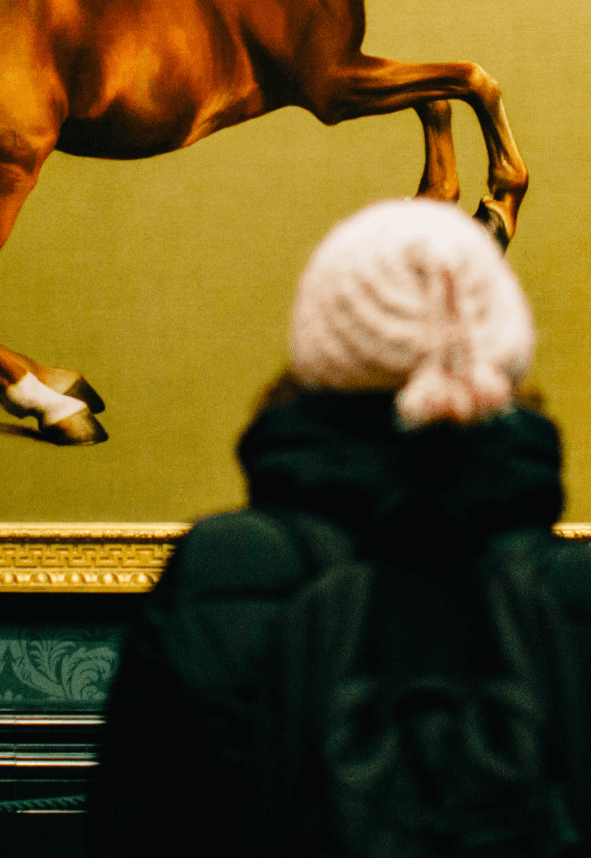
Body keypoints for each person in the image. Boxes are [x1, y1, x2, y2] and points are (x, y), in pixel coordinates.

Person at [90, 199, 591, 857]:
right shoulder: (575, 591)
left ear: (320, 356)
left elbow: (137, 830)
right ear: (497, 355)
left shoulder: (223, 570)